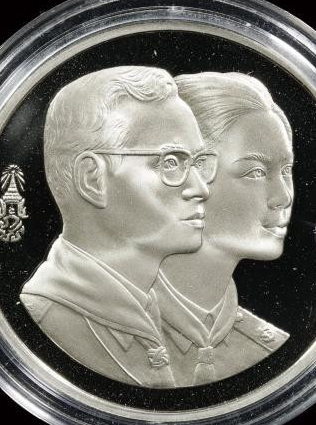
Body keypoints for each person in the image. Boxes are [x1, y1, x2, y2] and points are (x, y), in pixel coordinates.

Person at [20, 66, 217, 387]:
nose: (201, 189)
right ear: (92, 179)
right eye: (171, 162)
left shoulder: (173, 320)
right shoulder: (44, 318)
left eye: (198, 162)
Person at [154, 72, 294, 386]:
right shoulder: (92, 330)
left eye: (286, 170)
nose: (283, 196)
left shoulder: (267, 347)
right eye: (256, 172)